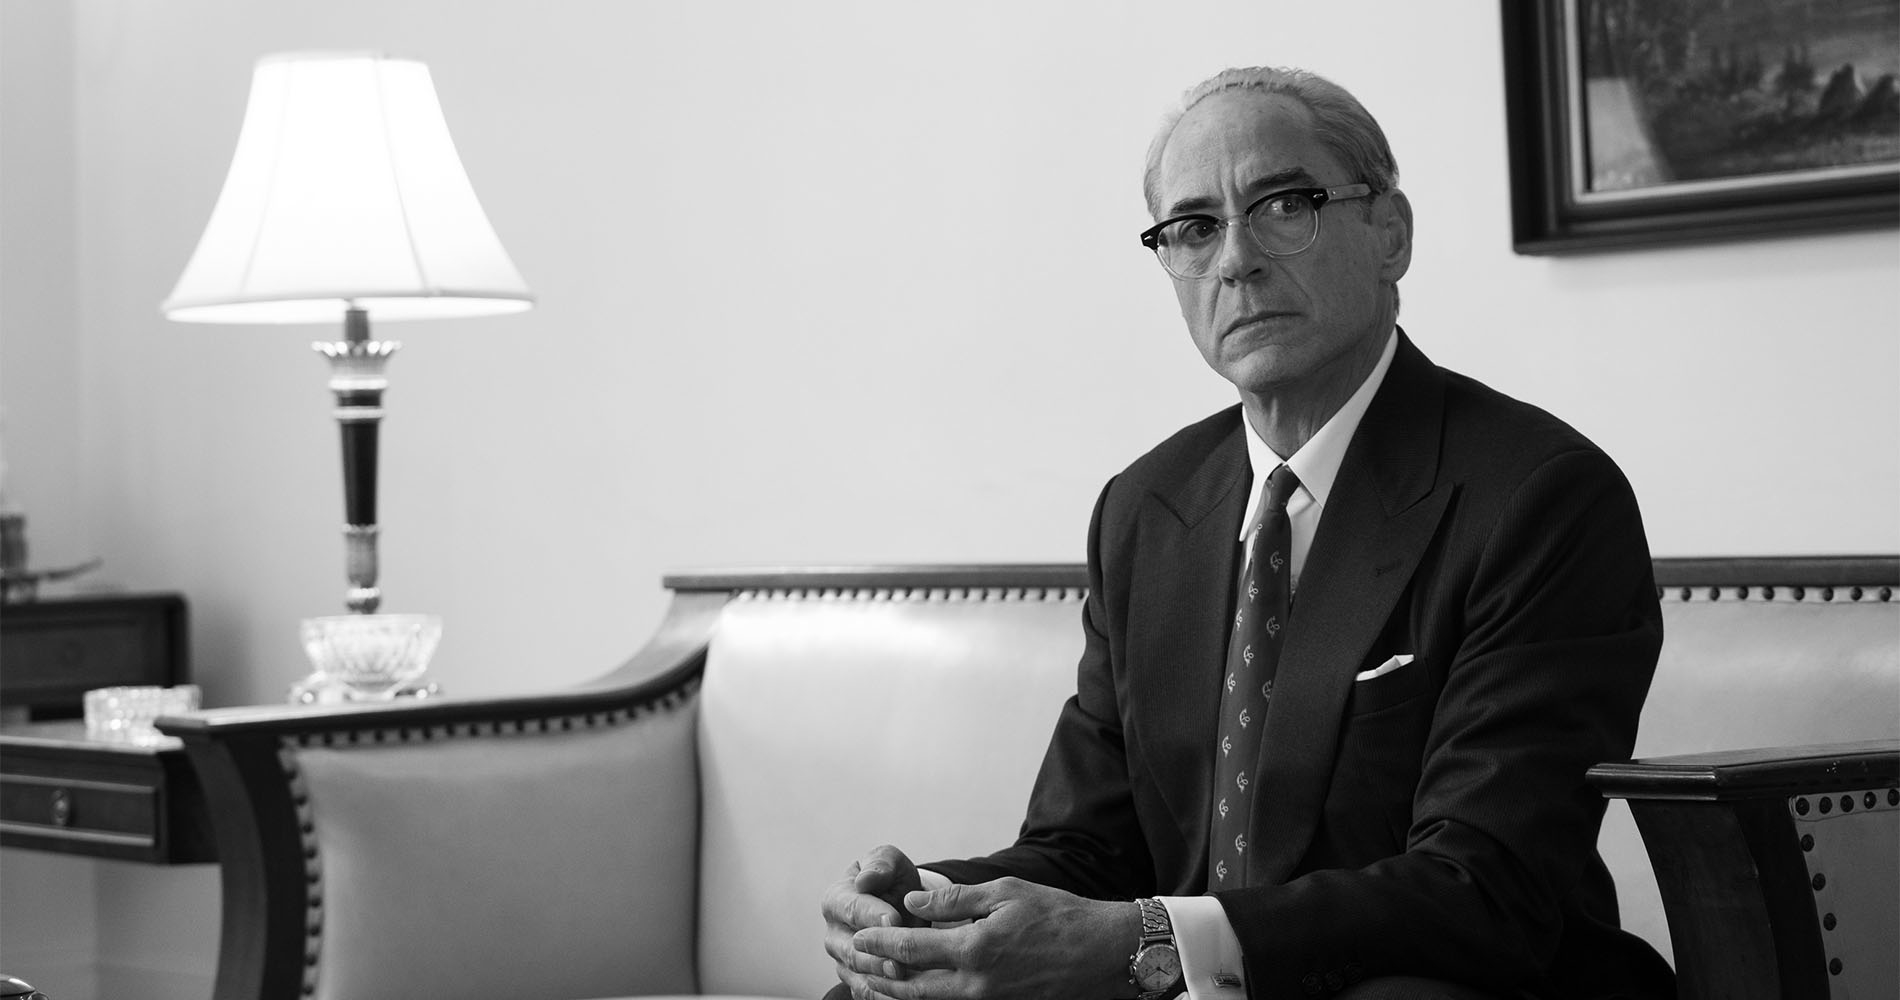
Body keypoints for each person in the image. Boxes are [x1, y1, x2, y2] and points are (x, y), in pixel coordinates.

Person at [821, 66, 1675, 1000]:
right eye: (1193, 228)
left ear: (1391, 233)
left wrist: (1142, 940)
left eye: (1283, 205)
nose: (1235, 259)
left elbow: (1480, 889)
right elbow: (1089, 845)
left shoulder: (1541, 498)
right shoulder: (1146, 508)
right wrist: (933, 912)